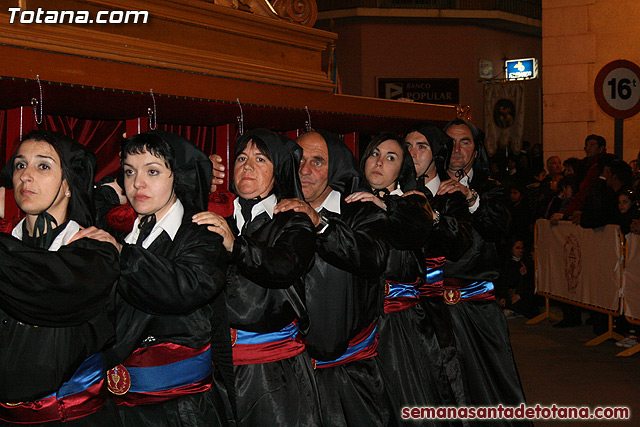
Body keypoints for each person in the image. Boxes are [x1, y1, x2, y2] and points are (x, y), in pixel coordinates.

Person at [91, 131, 233, 426]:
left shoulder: (203, 233)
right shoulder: (118, 231)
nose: (137, 183)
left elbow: (184, 287)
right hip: (117, 407)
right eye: (129, 171)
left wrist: (123, 256)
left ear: (177, 175)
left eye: (152, 171)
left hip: (182, 409)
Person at [193, 129, 321, 427]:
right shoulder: (215, 214)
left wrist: (236, 246)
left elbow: (284, 266)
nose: (247, 166)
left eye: (260, 159)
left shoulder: (293, 219)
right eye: (241, 158)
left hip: (271, 371)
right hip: (213, 369)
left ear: (278, 172)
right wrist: (195, 178)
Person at [0, 130, 120, 425]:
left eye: (43, 166)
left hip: (72, 419)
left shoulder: (94, 252)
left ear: (68, 185)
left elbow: (44, 283)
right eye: (20, 165)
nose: (25, 176)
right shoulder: (8, 241)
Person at [274, 130, 393, 427]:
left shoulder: (362, 211)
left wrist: (320, 224)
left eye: (317, 161)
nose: (304, 170)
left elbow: (373, 257)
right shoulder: (276, 209)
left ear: (336, 167)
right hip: (288, 377)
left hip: (351, 376)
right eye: (299, 160)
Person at [348, 132, 447, 422]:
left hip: (399, 324)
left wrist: (384, 205)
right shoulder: (349, 202)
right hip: (359, 321)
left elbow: (413, 230)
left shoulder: (412, 202)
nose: (379, 162)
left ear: (402, 169)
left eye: (390, 157)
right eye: (374, 154)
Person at [441, 119, 530, 424]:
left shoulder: (492, 189)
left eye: (464, 142)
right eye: (450, 142)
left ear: (476, 151)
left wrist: (470, 197)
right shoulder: (426, 185)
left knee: (494, 384)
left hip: (478, 306)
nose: (456, 149)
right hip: (433, 305)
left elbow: (499, 226)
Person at [404, 124, 473, 410]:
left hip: (440, 310)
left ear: (437, 154)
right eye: (407, 146)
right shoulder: (394, 193)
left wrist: (432, 215)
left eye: (421, 146)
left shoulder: (451, 196)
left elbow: (459, 244)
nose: (412, 153)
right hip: (399, 312)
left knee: (445, 385)